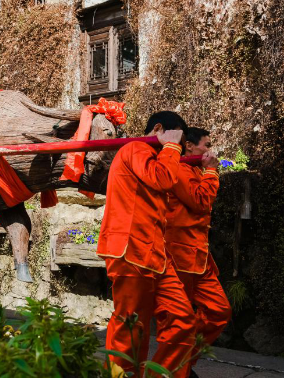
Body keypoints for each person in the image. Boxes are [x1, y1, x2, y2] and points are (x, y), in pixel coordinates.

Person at [97, 111, 196, 377]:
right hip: (130, 250)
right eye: (179, 138)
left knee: (183, 320)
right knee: (130, 327)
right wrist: (173, 145)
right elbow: (161, 178)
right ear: (160, 129)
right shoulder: (135, 148)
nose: (180, 148)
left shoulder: (158, 156)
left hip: (155, 255)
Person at [166, 127, 231, 377]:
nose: (209, 150)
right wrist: (212, 171)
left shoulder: (194, 169)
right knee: (179, 320)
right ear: (190, 147)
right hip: (179, 256)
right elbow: (201, 201)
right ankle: (178, 369)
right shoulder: (181, 169)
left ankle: (182, 360)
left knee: (219, 310)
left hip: (199, 258)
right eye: (206, 145)